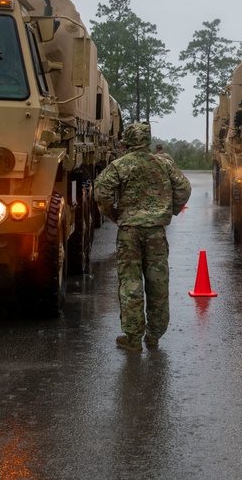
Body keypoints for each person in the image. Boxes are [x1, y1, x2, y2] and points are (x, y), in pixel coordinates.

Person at [94, 122, 191, 351]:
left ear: (127, 140)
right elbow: (184, 189)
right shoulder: (164, 164)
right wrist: (169, 210)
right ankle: (155, 334)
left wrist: (113, 213)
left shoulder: (120, 165)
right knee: (158, 281)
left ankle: (133, 337)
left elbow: (101, 191)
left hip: (129, 232)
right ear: (147, 140)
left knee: (130, 281)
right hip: (156, 231)